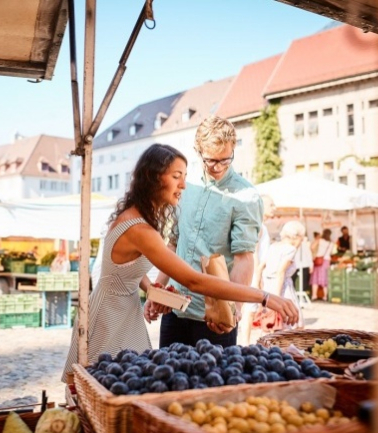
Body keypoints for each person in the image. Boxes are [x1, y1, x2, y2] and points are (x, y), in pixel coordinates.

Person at [61, 144, 297, 377]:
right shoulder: (140, 229)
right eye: (176, 177)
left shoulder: (135, 217)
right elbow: (194, 281)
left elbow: (124, 269)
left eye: (184, 176)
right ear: (152, 177)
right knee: (111, 391)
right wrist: (264, 297)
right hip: (111, 318)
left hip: (121, 311)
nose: (183, 185)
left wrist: (151, 288)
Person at [145, 116, 264, 348]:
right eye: (211, 161)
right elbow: (173, 244)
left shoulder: (246, 196)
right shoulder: (186, 186)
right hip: (175, 309)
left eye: (225, 160)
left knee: (212, 383)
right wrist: (156, 291)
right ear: (198, 151)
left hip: (215, 317)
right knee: (168, 380)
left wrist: (235, 310)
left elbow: (243, 258)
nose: (218, 167)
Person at [255, 221, 306, 333]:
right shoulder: (290, 249)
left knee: (273, 325)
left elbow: (261, 267)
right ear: (296, 237)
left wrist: (259, 286)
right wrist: (277, 297)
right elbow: (280, 272)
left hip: (267, 286)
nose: (301, 242)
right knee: (290, 323)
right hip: (282, 287)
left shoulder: (273, 246)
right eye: (301, 239)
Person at [239, 194, 275, 345]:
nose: (275, 208)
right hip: (253, 273)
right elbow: (253, 254)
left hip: (254, 272)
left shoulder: (260, 226)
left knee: (249, 310)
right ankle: (245, 343)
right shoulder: (258, 226)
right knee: (249, 310)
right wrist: (258, 278)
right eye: (271, 205)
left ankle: (244, 341)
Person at [310, 229, 334, 301]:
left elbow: (312, 247)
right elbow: (332, 252)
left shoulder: (320, 240)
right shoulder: (331, 243)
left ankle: (314, 295)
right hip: (327, 261)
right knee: (325, 278)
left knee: (315, 278)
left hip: (319, 260)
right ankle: (325, 296)